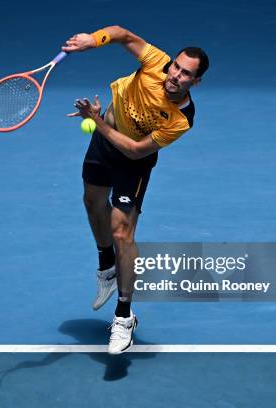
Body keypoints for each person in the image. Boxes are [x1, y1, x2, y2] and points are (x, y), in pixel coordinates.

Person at [62, 26, 209, 354]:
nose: (176, 75)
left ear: (195, 82)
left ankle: (124, 317)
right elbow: (121, 34)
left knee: (122, 233)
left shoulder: (181, 119)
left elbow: (134, 150)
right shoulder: (155, 62)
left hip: (132, 161)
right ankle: (106, 266)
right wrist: (92, 41)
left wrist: (96, 121)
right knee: (91, 201)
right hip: (103, 143)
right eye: (176, 66)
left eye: (186, 74)